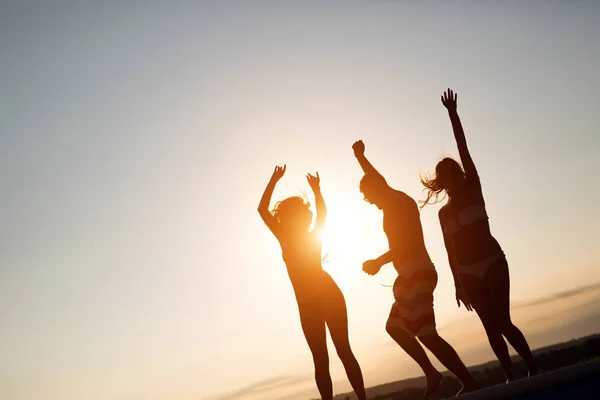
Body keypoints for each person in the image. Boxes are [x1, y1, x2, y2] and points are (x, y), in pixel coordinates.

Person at [421, 88, 537, 382]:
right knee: (489, 326)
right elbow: (450, 252)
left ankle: (533, 369)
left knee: (504, 322)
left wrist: (453, 114)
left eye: (447, 174)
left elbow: (463, 148)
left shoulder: (473, 187)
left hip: (492, 261)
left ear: (456, 174)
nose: (444, 180)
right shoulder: (442, 214)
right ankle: (510, 376)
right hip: (468, 273)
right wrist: (458, 284)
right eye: (440, 177)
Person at [352, 141, 476, 396]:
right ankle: (431, 372)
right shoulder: (390, 207)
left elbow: (405, 246)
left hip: (418, 272)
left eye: (369, 196)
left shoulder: (396, 201)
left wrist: (360, 157)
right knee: (395, 327)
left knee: (427, 335)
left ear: (376, 189)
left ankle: (468, 380)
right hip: (406, 276)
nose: (370, 202)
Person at [258, 165, 367, 400]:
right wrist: (273, 180)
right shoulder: (284, 237)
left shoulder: (312, 235)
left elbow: (322, 214)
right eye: (296, 211)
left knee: (343, 350)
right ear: (288, 216)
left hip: (329, 294)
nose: (301, 215)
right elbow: (262, 210)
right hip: (307, 304)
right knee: (321, 360)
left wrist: (317, 190)